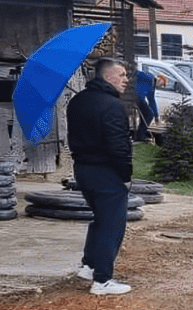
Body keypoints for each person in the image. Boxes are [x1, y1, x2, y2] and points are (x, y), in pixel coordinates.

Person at [67, 57, 133, 295]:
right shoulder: (111, 105)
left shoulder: (76, 102)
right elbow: (118, 146)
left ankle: (89, 265)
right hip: (107, 172)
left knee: (99, 219)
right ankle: (102, 280)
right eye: (122, 75)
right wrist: (126, 176)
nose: (126, 79)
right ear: (108, 77)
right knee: (112, 225)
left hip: (82, 169)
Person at [133, 69, 158, 143]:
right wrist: (156, 116)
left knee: (144, 114)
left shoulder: (146, 76)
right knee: (149, 114)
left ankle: (140, 133)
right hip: (138, 97)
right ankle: (140, 135)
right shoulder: (152, 80)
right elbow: (151, 100)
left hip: (134, 95)